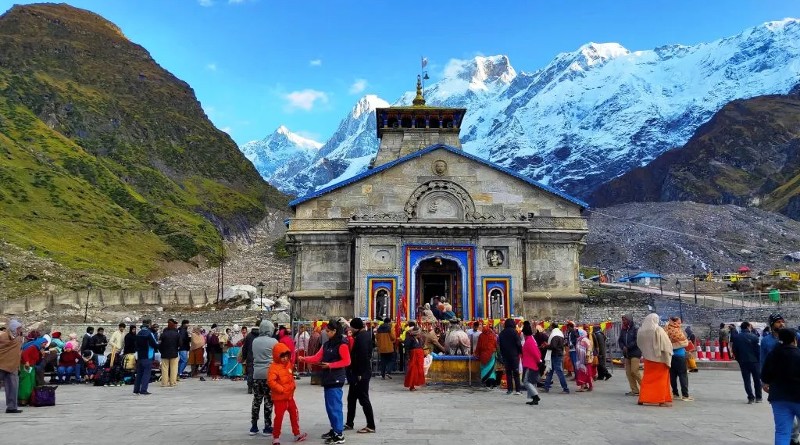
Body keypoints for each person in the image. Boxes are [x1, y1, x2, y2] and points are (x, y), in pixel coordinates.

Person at [299, 319, 351, 445]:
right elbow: (317, 357)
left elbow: (347, 361)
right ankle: (334, 429)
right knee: (330, 407)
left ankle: (339, 434)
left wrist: (331, 365)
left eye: (328, 331)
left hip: (336, 377)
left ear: (334, 331)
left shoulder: (342, 344)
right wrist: (304, 359)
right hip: (328, 377)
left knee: (335, 407)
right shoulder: (327, 344)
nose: (326, 333)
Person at [761, 328, 800, 445]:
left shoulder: (773, 354)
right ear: (794, 339)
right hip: (798, 397)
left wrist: (767, 384)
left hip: (779, 398)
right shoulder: (798, 354)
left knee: (782, 432)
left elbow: (765, 376)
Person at [267, 342, 308, 444]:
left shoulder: (288, 364)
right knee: (279, 418)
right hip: (279, 398)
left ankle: (297, 434)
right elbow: (271, 381)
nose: (285, 358)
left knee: (294, 414)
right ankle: (276, 438)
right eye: (282, 357)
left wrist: (292, 387)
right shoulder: (273, 367)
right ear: (277, 356)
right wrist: (281, 389)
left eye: (287, 356)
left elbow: (290, 377)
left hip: (289, 397)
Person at [344, 318, 376, 434]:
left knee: (363, 399)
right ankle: (349, 422)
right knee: (351, 398)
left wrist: (359, 374)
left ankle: (371, 425)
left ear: (355, 327)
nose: (350, 329)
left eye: (351, 327)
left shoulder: (361, 338)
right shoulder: (366, 335)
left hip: (360, 374)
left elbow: (362, 357)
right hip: (359, 373)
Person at [636, 314, 673, 407]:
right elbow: (666, 344)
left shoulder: (641, 330)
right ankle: (661, 400)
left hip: (648, 359)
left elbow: (639, 343)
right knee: (661, 380)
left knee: (647, 379)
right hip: (659, 359)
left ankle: (643, 398)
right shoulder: (658, 329)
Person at [251, 320, 278, 436]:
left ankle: (254, 426)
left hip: (256, 374)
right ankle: (267, 426)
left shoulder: (255, 341)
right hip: (269, 374)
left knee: (256, 400)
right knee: (268, 400)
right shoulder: (274, 341)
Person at [731, 321, 762, 404]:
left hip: (743, 361)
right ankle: (758, 397)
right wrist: (759, 360)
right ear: (748, 327)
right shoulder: (755, 337)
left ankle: (750, 397)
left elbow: (734, 350)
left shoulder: (737, 338)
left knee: (746, 380)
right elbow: (758, 351)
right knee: (757, 380)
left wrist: (738, 359)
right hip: (754, 361)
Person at [666, 317, 692, 401]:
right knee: (683, 375)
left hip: (671, 355)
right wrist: (685, 343)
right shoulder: (676, 330)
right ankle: (685, 395)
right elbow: (685, 342)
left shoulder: (666, 329)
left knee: (672, 375)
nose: (680, 324)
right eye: (678, 322)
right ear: (674, 322)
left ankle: (675, 393)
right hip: (680, 355)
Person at [0, 319, 24, 413]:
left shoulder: (18, 338)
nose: (20, 330)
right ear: (14, 328)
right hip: (2, 364)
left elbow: (18, 352)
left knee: (13, 387)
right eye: (18, 328)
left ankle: (12, 407)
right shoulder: (3, 337)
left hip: (13, 365)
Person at [618, 314, 642, 396]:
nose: (623, 322)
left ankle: (645, 387)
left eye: (625, 320)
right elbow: (620, 340)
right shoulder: (623, 330)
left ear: (629, 320)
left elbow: (637, 340)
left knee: (634, 371)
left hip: (635, 352)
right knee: (628, 372)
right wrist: (623, 347)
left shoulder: (635, 329)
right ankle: (635, 390)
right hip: (627, 353)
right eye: (623, 320)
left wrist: (628, 347)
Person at [133, 319, 158, 395]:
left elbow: (136, 344)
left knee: (139, 373)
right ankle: (143, 390)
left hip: (140, 356)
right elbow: (154, 344)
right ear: (149, 324)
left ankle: (136, 390)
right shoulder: (149, 333)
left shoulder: (139, 333)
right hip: (148, 355)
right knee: (146, 373)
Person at [543, 324, 569, 393]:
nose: (549, 328)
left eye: (550, 327)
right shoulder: (560, 334)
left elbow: (553, 346)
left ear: (552, 327)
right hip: (558, 354)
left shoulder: (554, 335)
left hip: (555, 355)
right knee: (550, 371)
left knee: (559, 372)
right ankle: (546, 387)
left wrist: (546, 346)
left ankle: (565, 388)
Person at [498, 318, 522, 395]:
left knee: (508, 373)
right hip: (514, 355)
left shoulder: (501, 333)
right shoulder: (514, 332)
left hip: (505, 355)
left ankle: (510, 389)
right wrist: (520, 351)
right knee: (516, 372)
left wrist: (501, 355)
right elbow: (518, 344)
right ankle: (518, 390)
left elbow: (500, 346)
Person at [521, 323, 541, 405]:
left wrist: (538, 361)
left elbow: (535, 353)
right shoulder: (530, 340)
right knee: (530, 381)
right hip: (530, 363)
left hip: (531, 364)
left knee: (526, 381)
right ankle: (533, 399)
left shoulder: (529, 341)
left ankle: (535, 396)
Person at [159, 319, 180, 387]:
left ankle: (164, 383)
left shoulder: (163, 334)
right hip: (174, 353)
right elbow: (180, 344)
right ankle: (172, 382)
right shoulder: (177, 334)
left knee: (164, 368)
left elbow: (159, 344)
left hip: (164, 353)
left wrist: (161, 350)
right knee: (174, 368)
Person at [403, 326, 425, 392]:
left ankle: (415, 383)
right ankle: (411, 385)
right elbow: (407, 348)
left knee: (418, 371)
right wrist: (407, 356)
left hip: (419, 357)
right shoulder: (409, 339)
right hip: (413, 357)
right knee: (412, 370)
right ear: (416, 333)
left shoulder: (419, 339)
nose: (420, 334)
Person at [242, 322, 260, 394]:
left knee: (250, 372)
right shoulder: (261, 335)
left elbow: (245, 348)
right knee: (259, 372)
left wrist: (244, 356)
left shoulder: (249, 336)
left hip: (250, 357)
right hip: (259, 357)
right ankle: (258, 387)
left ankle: (250, 387)